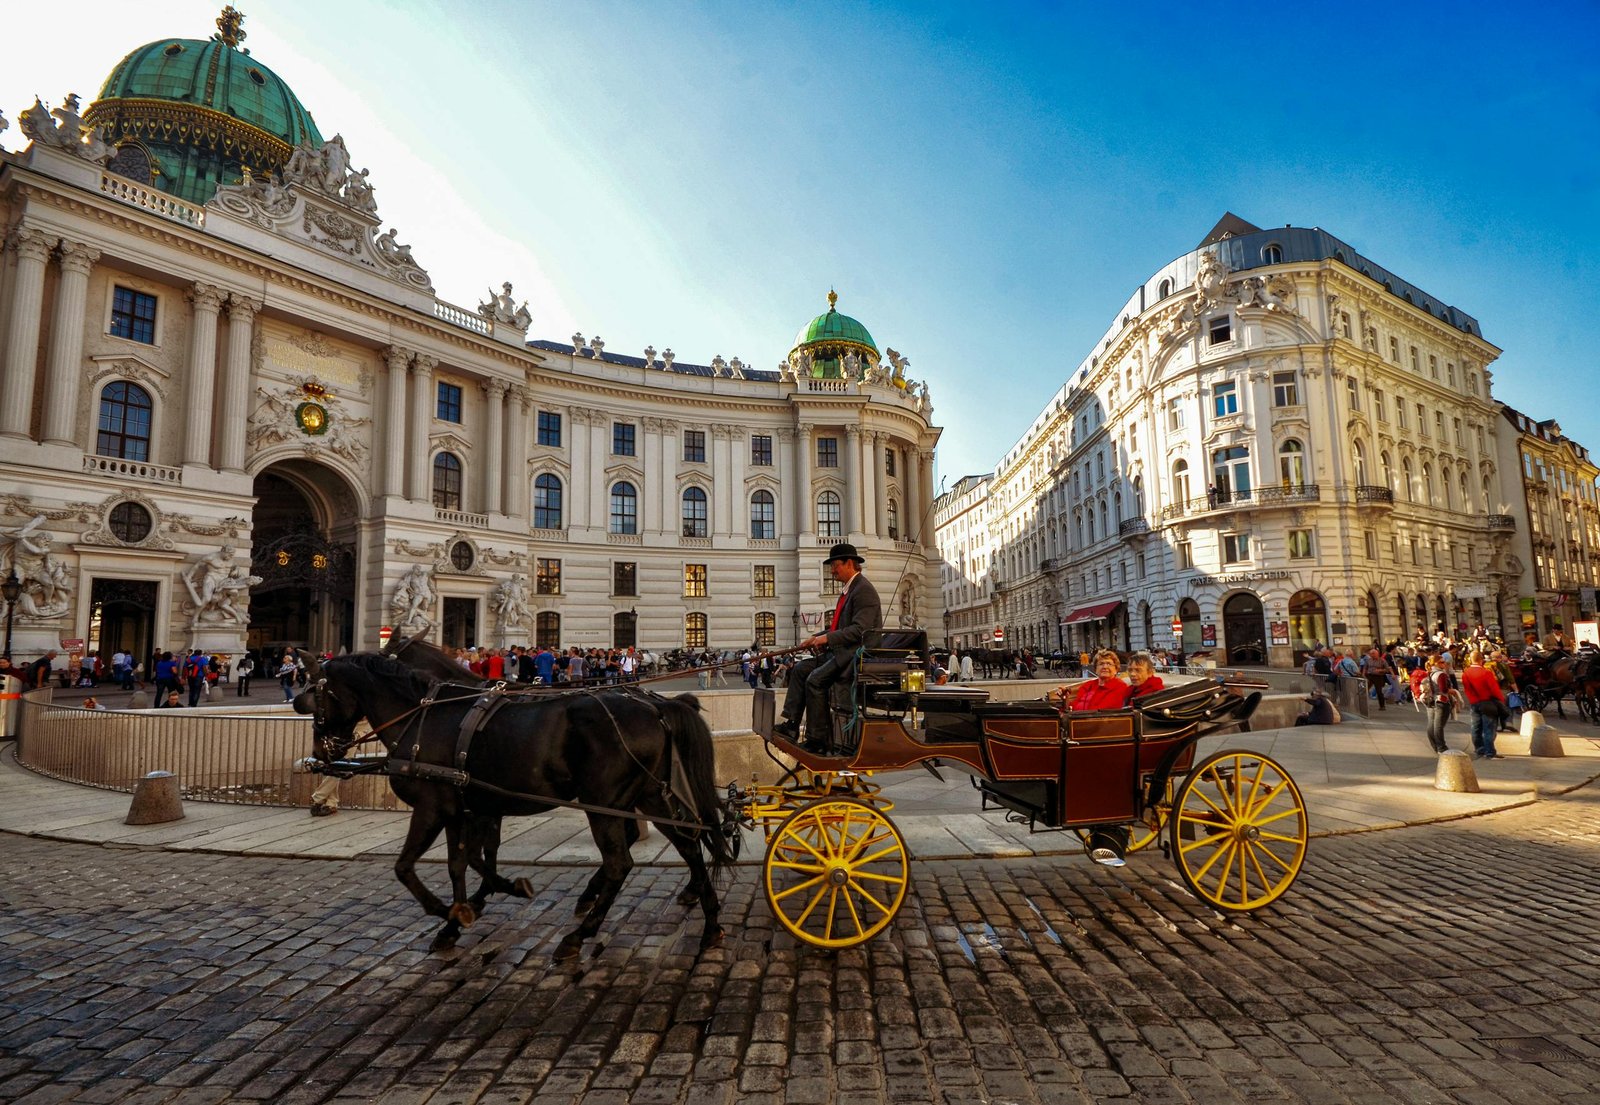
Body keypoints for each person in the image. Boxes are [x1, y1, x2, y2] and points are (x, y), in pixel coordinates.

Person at [775, 543, 883, 753]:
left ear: (849, 563)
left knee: (815, 681)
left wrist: (825, 640)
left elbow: (859, 631)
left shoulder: (864, 591)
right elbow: (843, 629)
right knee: (799, 670)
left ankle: (819, 740)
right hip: (841, 652)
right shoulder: (850, 590)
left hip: (855, 656)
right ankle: (791, 726)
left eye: (835, 566)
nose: (832, 571)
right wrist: (817, 637)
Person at [1460, 650, 1507, 760]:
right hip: (1488, 703)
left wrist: (1472, 699)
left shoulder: (1466, 673)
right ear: (1481, 660)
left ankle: (1479, 749)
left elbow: (1467, 689)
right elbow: (1494, 689)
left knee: (1476, 727)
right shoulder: (1486, 673)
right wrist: (1501, 700)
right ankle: (1489, 751)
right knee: (1489, 728)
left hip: (1474, 703)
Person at [1051, 650, 1131, 712]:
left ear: (1116, 669)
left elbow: (1104, 710)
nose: (1105, 667)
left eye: (1109, 664)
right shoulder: (1088, 685)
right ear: (1095, 669)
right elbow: (1074, 707)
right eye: (1101, 664)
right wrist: (1065, 699)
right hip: (1079, 722)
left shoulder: (1120, 687)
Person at [1422, 656, 1457, 754]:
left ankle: (1435, 746)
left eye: (1444, 662)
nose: (1444, 663)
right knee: (1438, 726)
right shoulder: (1441, 674)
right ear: (1435, 663)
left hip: (1430, 701)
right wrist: (1453, 691)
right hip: (1442, 701)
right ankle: (1441, 747)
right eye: (1441, 662)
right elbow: (1444, 689)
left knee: (1431, 724)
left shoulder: (1429, 673)